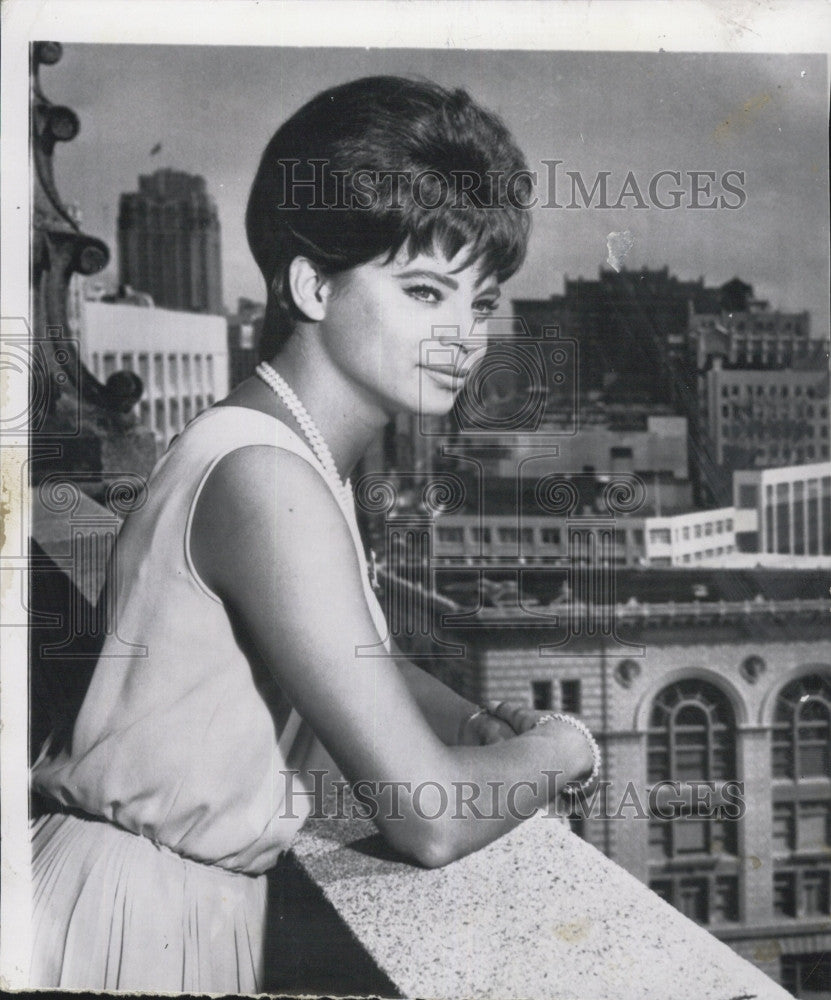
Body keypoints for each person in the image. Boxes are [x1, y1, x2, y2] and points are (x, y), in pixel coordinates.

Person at [29, 76, 599, 993]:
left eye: (481, 302)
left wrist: (474, 720)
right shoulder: (269, 478)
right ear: (312, 284)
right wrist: (564, 747)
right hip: (126, 930)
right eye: (423, 291)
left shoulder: (273, 442)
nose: (462, 336)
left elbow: (346, 649)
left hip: (160, 907)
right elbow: (431, 818)